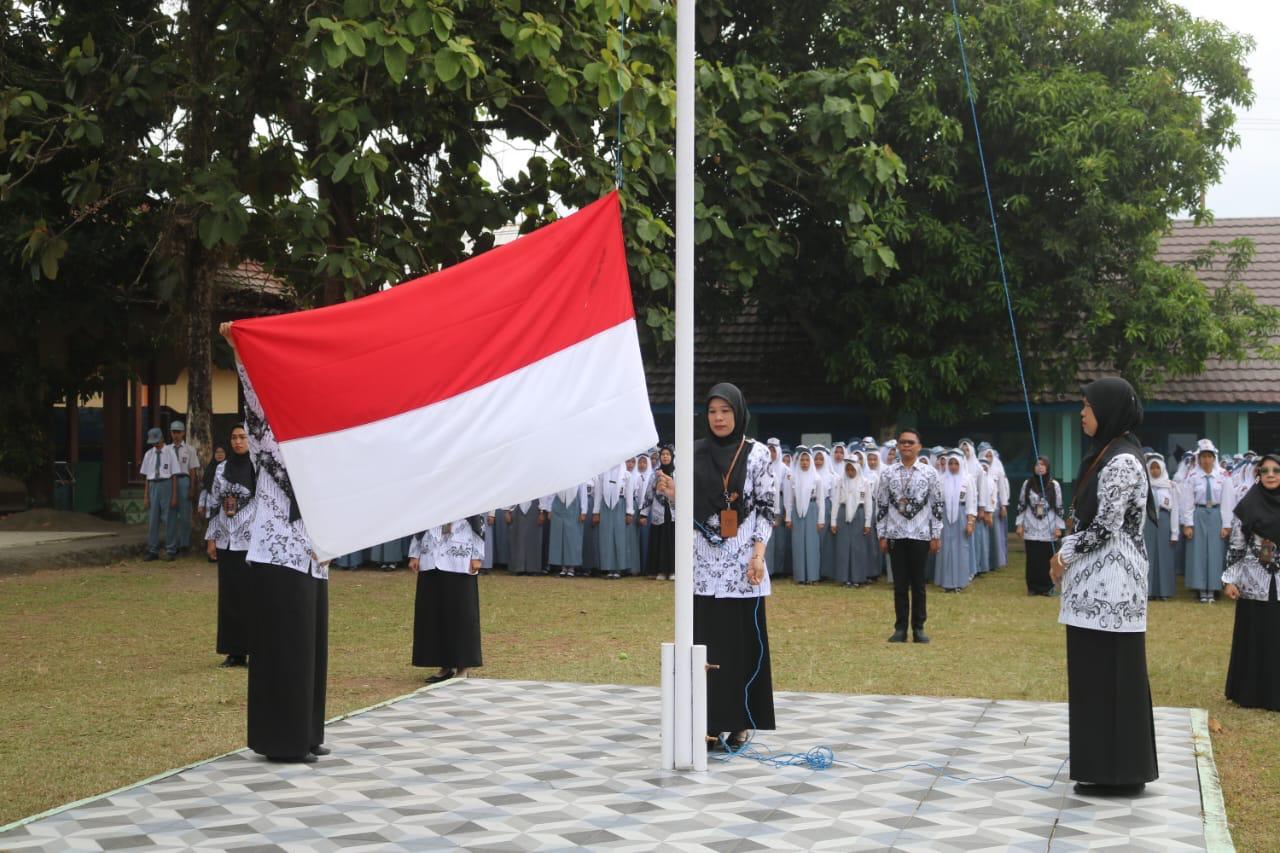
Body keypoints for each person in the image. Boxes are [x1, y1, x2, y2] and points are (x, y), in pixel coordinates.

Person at [220, 322, 329, 764]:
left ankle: (307, 732)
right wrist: (239, 351)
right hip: (278, 550)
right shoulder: (267, 437)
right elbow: (252, 397)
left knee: (310, 649)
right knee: (285, 647)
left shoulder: (319, 440)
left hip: (314, 553)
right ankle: (283, 740)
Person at [1049, 376, 1159, 796]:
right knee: (1094, 678)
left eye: (1088, 406)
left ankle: (1121, 773)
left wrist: (1063, 555)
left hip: (1112, 588)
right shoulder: (1107, 453)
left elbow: (1105, 527)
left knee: (1113, 678)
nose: (1082, 413)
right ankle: (1100, 768)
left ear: (1108, 411)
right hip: (1095, 586)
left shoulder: (1123, 461)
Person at [654, 383, 775, 750]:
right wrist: (673, 495)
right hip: (703, 569)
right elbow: (687, 513)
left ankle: (738, 721)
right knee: (704, 645)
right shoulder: (693, 453)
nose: (719, 418)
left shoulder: (757, 455)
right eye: (712, 411)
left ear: (739, 413)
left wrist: (758, 554)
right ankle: (704, 723)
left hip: (742, 567)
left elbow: (766, 509)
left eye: (726, 411)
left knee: (738, 646)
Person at [874, 429, 944, 643]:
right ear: (897, 446)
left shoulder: (929, 473)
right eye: (903, 442)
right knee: (900, 584)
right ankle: (900, 628)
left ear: (919, 446)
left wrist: (936, 534)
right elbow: (882, 504)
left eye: (910, 442)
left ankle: (919, 628)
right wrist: (882, 534)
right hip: (896, 533)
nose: (906, 445)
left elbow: (937, 504)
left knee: (919, 584)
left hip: (920, 534)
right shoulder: (888, 473)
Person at [1223, 451, 1280, 711]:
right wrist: (1230, 580)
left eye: (1276, 470)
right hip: (1254, 579)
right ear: (1258, 475)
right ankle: (1252, 694)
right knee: (1256, 635)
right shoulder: (1248, 503)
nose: (1270, 475)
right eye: (1265, 471)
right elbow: (1236, 544)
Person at [409, 517, 485, 684]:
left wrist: (477, 555)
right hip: (431, 554)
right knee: (433, 612)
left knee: (461, 613)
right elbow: (418, 519)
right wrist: (414, 553)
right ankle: (444, 665)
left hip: (459, 556)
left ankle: (463, 666)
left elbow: (478, 521)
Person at [205, 425, 255, 668]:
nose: (238, 442)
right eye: (234, 437)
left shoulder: (257, 467)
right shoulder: (222, 468)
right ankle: (234, 652)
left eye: (242, 437)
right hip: (226, 540)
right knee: (229, 597)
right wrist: (211, 538)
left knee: (251, 597)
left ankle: (255, 649)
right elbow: (214, 503)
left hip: (250, 541)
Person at [1180, 439, 1235, 603]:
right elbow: (1187, 501)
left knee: (1216, 552)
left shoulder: (1223, 475)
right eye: (1203, 456)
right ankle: (1201, 589)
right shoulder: (1192, 476)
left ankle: (1213, 589)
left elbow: (1228, 501)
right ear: (1199, 458)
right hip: (1199, 514)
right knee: (1198, 552)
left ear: (1214, 458)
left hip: (1216, 514)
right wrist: (1187, 524)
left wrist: (1227, 524)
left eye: (1209, 456)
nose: (1206, 460)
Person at [1017, 456, 1065, 596]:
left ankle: (1047, 587)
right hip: (1031, 525)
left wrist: (1058, 527)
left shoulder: (1054, 485)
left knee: (1046, 558)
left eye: (1043, 465)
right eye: (1037, 465)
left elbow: (1059, 506)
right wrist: (1019, 524)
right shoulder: (1028, 484)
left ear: (1047, 467)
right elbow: (1021, 504)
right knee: (1032, 558)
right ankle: (1033, 587)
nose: (1040, 467)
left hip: (1048, 526)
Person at [936, 451, 977, 592]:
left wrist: (970, 522)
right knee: (946, 548)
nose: (953, 467)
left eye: (956, 464)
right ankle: (946, 582)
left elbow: (971, 501)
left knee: (961, 548)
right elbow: (938, 501)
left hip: (961, 515)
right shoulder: (942, 479)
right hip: (945, 516)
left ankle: (960, 582)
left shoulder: (967, 479)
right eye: (951, 463)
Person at [831, 457, 873, 587]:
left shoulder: (865, 482)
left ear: (857, 469)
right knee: (843, 547)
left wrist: (867, 522)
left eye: (852, 469)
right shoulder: (840, 481)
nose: (850, 472)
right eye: (848, 469)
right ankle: (844, 578)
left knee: (857, 548)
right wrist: (833, 521)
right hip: (843, 513)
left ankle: (857, 578)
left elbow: (868, 503)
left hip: (858, 514)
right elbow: (836, 501)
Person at [785, 446, 824, 585]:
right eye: (802, 460)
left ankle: (812, 576)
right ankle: (800, 576)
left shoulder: (817, 478)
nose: (805, 463)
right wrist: (788, 517)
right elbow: (789, 499)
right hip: (797, 512)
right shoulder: (794, 478)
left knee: (812, 544)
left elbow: (820, 500)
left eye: (807, 460)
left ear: (811, 461)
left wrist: (820, 520)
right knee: (798, 544)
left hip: (812, 510)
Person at [140, 426, 179, 562]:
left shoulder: (170, 452)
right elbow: (147, 477)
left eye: (157, 442)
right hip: (153, 485)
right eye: (153, 443)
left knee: (169, 519)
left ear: (162, 438)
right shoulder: (148, 454)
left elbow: (174, 475)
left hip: (166, 484)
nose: (155, 445)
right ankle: (153, 550)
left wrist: (174, 495)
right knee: (153, 519)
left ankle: (171, 549)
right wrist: (146, 495)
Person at [1145, 454, 1180, 601]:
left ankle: (1164, 591)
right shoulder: (1144, 485)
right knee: (1148, 556)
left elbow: (1175, 509)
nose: (1154, 471)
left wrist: (1174, 533)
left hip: (1165, 522)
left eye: (1157, 468)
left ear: (1162, 469)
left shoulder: (1170, 486)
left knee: (1165, 557)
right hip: (1148, 523)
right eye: (1152, 468)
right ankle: (1148, 591)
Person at [593, 462, 633, 579]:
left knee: (619, 537)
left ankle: (618, 569)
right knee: (606, 537)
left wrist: (629, 512)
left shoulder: (626, 475)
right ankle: (609, 568)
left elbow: (629, 494)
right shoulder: (602, 474)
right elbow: (598, 494)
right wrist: (596, 512)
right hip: (605, 506)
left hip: (620, 505)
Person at [168, 421, 199, 554]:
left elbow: (192, 470)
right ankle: (171, 545)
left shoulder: (189, 449)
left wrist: (192, 487)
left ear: (183, 433)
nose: (176, 435)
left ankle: (184, 544)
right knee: (171, 515)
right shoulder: (167, 449)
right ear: (170, 433)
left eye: (178, 432)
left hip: (183, 479)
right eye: (174, 432)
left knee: (185, 515)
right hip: (169, 481)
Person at [645, 448, 676, 580]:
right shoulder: (654, 475)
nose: (665, 457)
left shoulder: (677, 473)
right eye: (663, 454)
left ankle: (673, 570)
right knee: (660, 540)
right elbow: (649, 494)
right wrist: (644, 513)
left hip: (674, 512)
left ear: (672, 457)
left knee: (673, 541)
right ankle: (660, 571)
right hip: (659, 511)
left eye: (668, 454)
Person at [549, 480, 589, 578]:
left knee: (573, 538)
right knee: (560, 536)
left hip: (574, 504)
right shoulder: (557, 474)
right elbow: (551, 492)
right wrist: (548, 509)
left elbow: (583, 493)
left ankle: (571, 567)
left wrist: (583, 511)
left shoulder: (580, 475)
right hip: (558, 504)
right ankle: (563, 567)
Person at [197, 445, 227, 564]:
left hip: (225, 505)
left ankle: (222, 554)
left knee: (223, 529)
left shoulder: (229, 468)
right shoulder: (210, 469)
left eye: (222, 452)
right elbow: (205, 488)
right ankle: (212, 554)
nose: (219, 454)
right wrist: (201, 504)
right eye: (217, 452)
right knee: (212, 528)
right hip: (211, 503)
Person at [507, 496, 549, 576]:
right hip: (516, 507)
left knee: (534, 539)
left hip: (535, 506)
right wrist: (506, 511)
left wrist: (542, 512)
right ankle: (518, 568)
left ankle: (533, 569)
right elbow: (509, 493)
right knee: (518, 540)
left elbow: (543, 495)